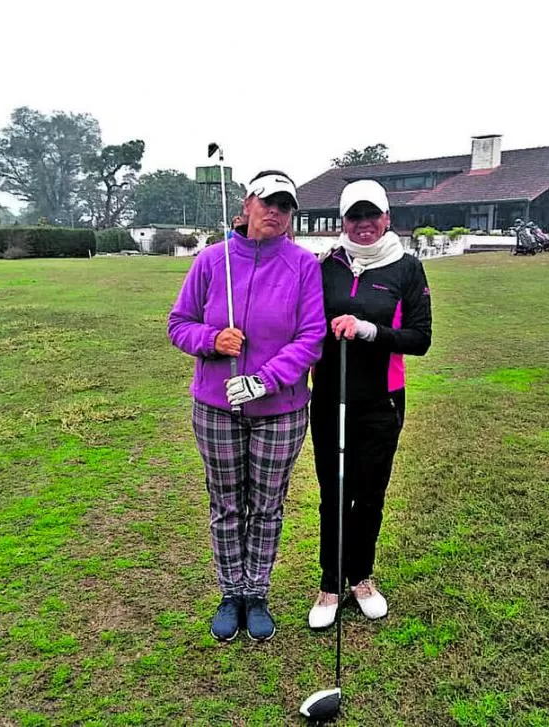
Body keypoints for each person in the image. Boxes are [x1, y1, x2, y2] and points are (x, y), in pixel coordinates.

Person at [168, 170, 326, 642]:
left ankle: (256, 591)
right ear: (247, 204)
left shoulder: (303, 265)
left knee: (266, 505)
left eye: (284, 205)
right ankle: (230, 591)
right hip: (216, 406)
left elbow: (311, 335)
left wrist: (266, 379)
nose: (274, 212)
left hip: (280, 409)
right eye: (267, 202)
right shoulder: (211, 262)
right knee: (227, 504)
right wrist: (212, 340)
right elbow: (179, 324)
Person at [307, 179, 432, 629]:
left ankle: (361, 577)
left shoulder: (407, 268)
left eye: (371, 216)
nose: (364, 225)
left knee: (370, 493)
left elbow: (421, 339)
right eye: (354, 217)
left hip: (381, 402)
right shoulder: (326, 266)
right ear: (343, 221)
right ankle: (329, 583)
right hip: (328, 399)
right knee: (333, 494)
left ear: (387, 218)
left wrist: (370, 331)